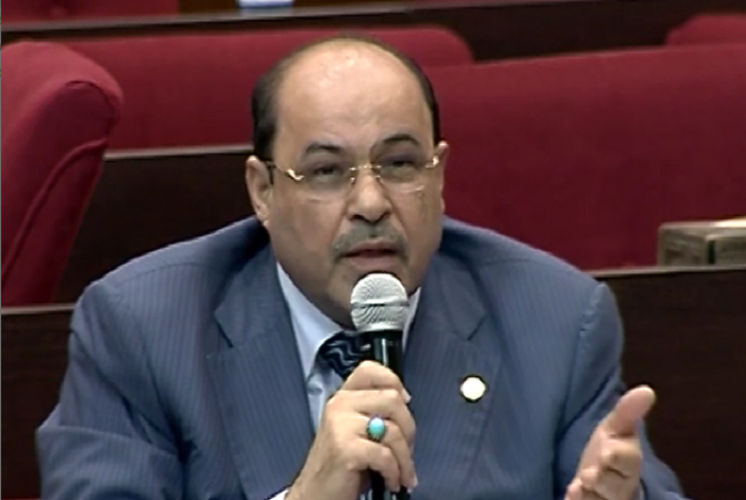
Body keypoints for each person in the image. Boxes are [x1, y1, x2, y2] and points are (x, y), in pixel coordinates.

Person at [37, 35, 691, 500]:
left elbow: (623, 480)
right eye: (327, 172)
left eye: (400, 164)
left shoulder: (555, 320)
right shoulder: (143, 328)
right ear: (263, 191)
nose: (371, 203)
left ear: (439, 175)